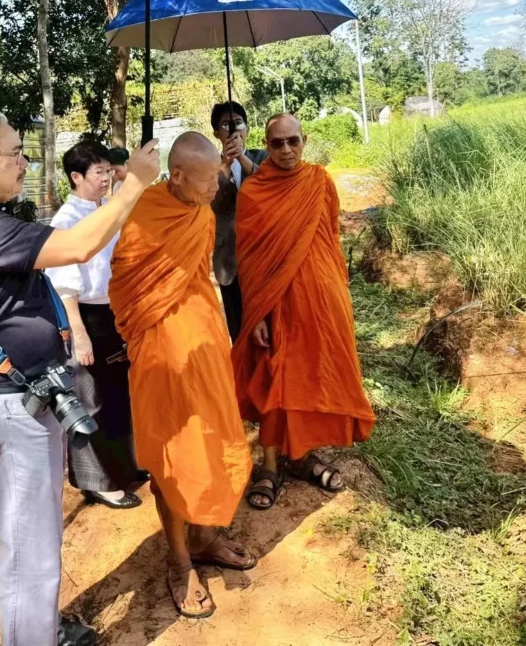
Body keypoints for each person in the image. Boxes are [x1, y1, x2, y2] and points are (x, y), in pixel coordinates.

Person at [0, 111, 159, 646]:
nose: (25, 162)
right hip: (12, 404)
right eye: (15, 153)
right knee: (30, 545)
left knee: (33, 536)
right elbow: (76, 246)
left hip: (23, 398)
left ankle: (38, 626)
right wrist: (134, 183)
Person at [109, 132, 254, 620]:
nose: (217, 185)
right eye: (207, 178)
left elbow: (201, 277)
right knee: (172, 454)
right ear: (177, 177)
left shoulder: (204, 210)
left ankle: (205, 534)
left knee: (212, 438)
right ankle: (179, 561)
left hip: (206, 345)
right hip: (161, 356)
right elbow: (128, 287)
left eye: (218, 174)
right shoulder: (144, 215)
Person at [232, 113, 376, 510]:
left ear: (304, 140)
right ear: (266, 143)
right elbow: (249, 258)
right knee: (278, 377)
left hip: (321, 298)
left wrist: (336, 294)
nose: (285, 150)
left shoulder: (319, 181)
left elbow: (329, 235)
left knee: (311, 376)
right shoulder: (253, 192)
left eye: (292, 141)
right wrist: (258, 312)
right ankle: (269, 465)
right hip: (276, 302)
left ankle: (300, 455)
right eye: (276, 143)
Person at [46, 140, 144, 509]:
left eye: (108, 171)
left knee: (119, 393)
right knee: (91, 400)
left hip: (114, 312)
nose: (106, 178)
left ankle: (123, 467)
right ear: (76, 177)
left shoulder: (106, 212)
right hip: (85, 316)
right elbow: (65, 284)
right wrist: (80, 335)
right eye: (99, 172)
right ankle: (96, 481)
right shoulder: (66, 222)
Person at [210, 101, 267, 342]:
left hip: (263, 253)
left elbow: (268, 185)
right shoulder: (210, 165)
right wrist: (225, 163)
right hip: (229, 259)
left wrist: (242, 157)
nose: (232, 130)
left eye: (238, 123)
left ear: (248, 129)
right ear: (216, 133)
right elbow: (210, 198)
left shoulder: (263, 157)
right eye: (225, 125)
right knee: (239, 327)